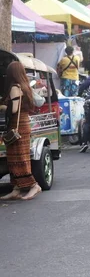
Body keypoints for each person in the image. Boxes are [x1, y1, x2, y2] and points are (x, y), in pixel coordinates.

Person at [0, 62, 41, 200]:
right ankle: (16, 188)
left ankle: (34, 185)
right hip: (24, 124)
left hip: (17, 126)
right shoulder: (25, 87)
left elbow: (13, 109)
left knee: (19, 159)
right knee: (16, 158)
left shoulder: (15, 87)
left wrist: (2, 107)